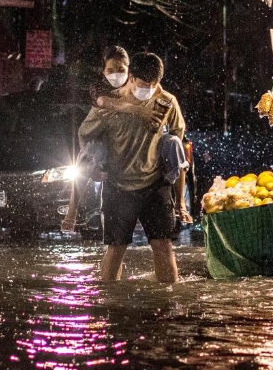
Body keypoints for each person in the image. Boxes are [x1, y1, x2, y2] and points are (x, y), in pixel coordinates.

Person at [78, 52, 186, 282]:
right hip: (118, 185)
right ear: (131, 77)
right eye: (143, 84)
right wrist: (92, 167)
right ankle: (109, 302)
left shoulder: (166, 101)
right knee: (116, 248)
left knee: (163, 245)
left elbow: (178, 137)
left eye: (154, 85)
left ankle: (170, 303)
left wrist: (178, 193)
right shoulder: (111, 104)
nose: (149, 89)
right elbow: (84, 135)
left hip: (154, 184)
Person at [61, 46, 192, 232]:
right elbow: (99, 110)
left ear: (129, 70)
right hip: (108, 153)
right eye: (110, 70)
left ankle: (180, 204)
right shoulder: (101, 89)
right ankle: (72, 210)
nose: (116, 75)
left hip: (148, 170)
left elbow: (177, 129)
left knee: (174, 143)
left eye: (121, 69)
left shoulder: (161, 96)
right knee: (87, 154)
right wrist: (138, 111)